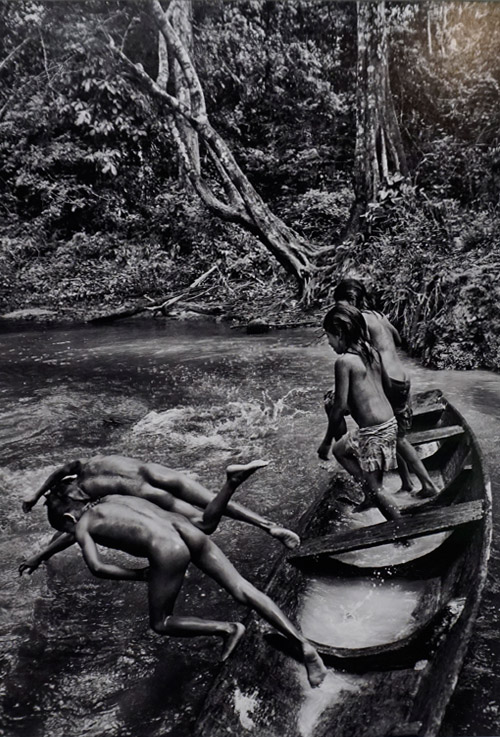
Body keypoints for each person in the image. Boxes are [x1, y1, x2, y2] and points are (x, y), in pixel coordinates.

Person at [19, 479, 327, 688]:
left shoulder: (83, 525)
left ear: (70, 520)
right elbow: (71, 534)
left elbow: (98, 567)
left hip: (167, 550)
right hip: (186, 532)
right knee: (243, 588)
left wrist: (140, 575)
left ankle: (228, 628)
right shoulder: (113, 499)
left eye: (64, 527)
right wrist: (40, 555)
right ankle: (305, 647)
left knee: (161, 622)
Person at [21, 454, 300, 548]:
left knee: (204, 524)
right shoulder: (85, 466)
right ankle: (269, 526)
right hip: (156, 471)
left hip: (146, 490)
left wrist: (42, 553)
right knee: (211, 500)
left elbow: (74, 529)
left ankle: (232, 481)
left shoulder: (85, 497)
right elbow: (61, 471)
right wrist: (35, 495)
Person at [333, 278, 439, 498]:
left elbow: (359, 355)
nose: (340, 313)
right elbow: (398, 339)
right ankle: (407, 482)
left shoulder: (359, 320)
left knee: (394, 435)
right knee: (393, 432)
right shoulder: (378, 316)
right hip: (401, 377)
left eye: (341, 306)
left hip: (389, 381)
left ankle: (426, 484)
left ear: (352, 300)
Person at [317, 303, 401, 521]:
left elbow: (339, 409)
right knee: (341, 449)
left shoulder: (344, 362)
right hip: (389, 423)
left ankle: (403, 533)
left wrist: (325, 441)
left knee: (375, 487)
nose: (329, 343)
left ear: (340, 334)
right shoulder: (371, 351)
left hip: (373, 431)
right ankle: (370, 493)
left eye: (329, 337)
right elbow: (384, 386)